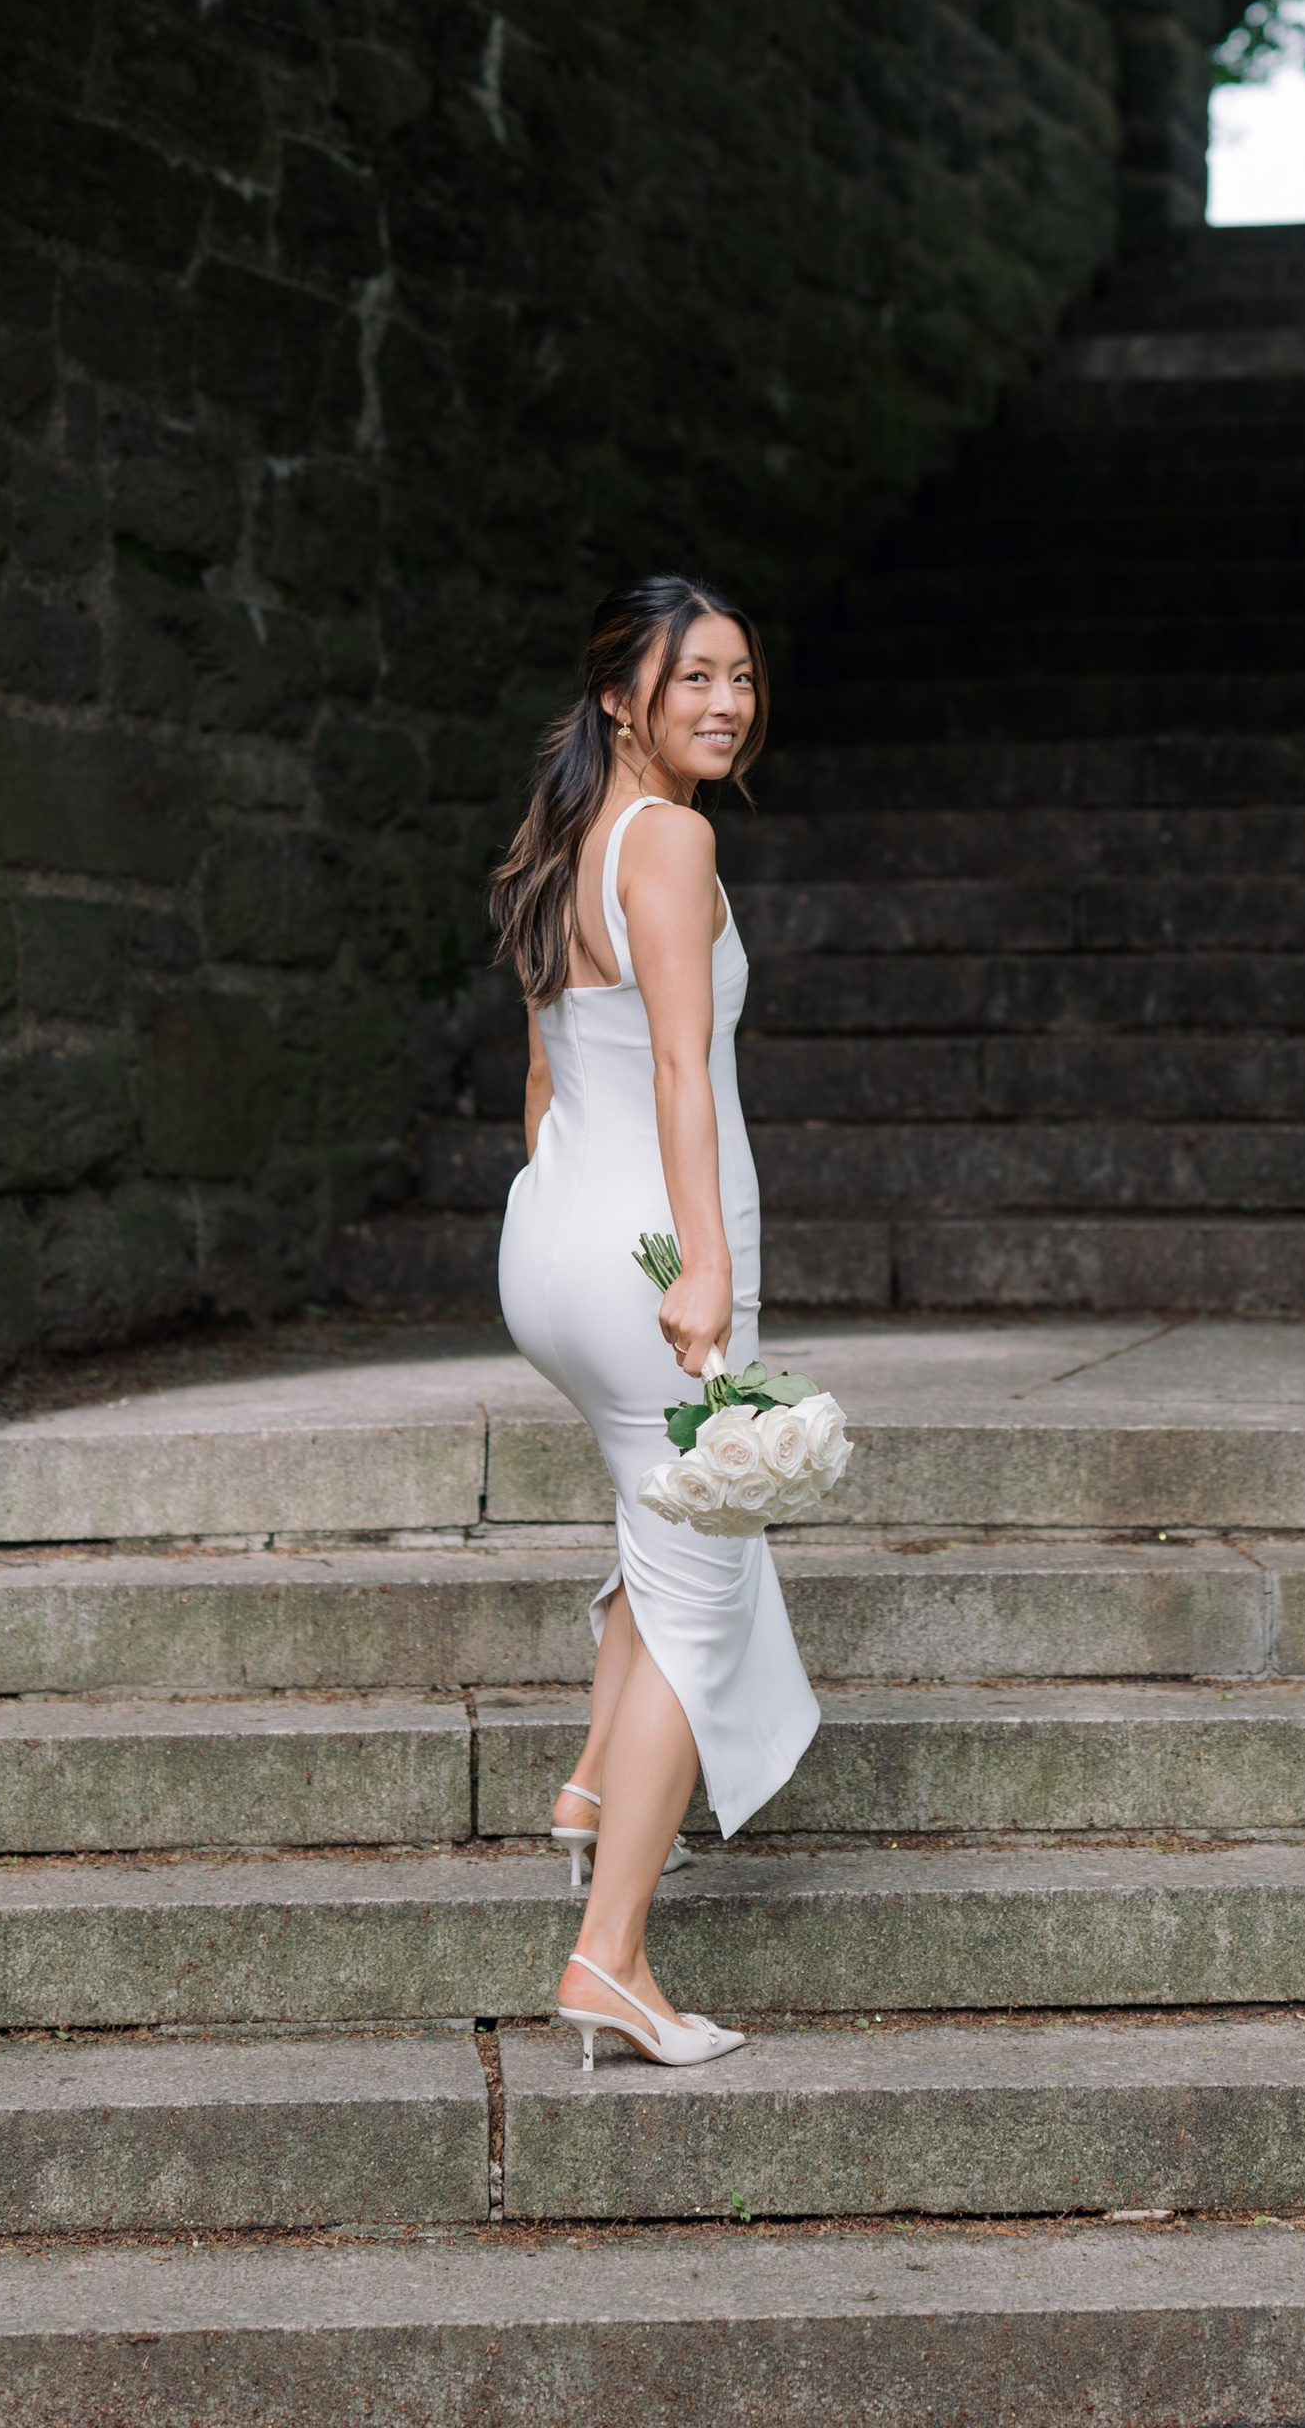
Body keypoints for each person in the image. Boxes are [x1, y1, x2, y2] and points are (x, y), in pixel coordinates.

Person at [490, 574, 819, 2070]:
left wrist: (573, 1222)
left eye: (741, 677)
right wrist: (703, 1268)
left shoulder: (561, 836)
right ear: (623, 696)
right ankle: (610, 1957)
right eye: (695, 677)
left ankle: (587, 1785)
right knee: (702, 1590)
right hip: (649, 1253)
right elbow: (682, 1070)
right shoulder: (672, 841)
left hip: (555, 1240)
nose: (727, 704)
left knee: (658, 1518)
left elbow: (547, 1075)